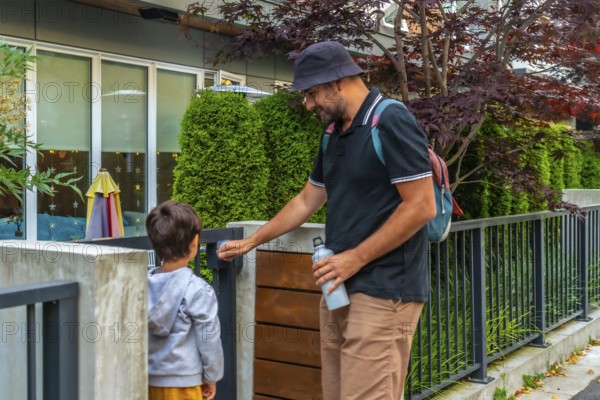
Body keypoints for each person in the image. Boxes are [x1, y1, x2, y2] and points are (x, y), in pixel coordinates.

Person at [218, 41, 436, 399]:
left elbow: (421, 206)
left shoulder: (391, 120)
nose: (308, 104)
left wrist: (355, 259)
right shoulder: (333, 134)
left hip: (385, 291)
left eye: (312, 92)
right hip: (338, 288)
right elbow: (307, 199)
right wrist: (252, 240)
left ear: (338, 82)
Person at [146, 200, 224, 400]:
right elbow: (209, 339)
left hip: (147, 381)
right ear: (194, 243)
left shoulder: (142, 286)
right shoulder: (198, 290)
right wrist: (211, 377)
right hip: (185, 384)